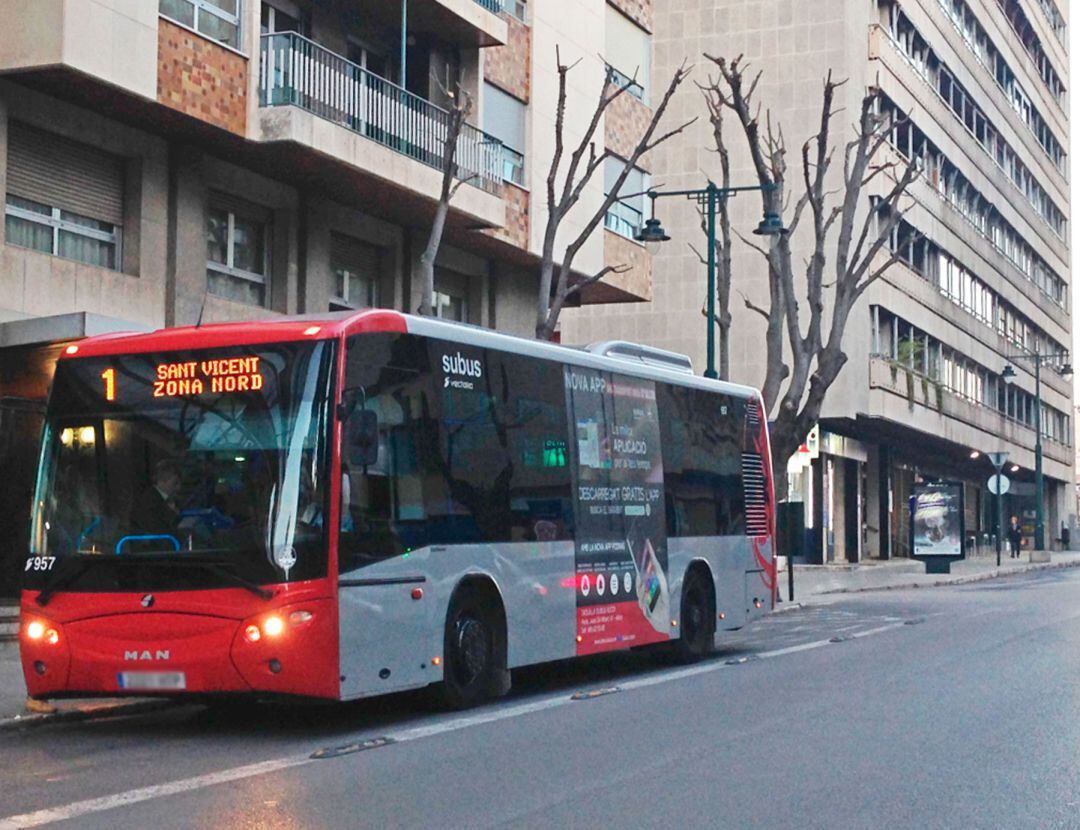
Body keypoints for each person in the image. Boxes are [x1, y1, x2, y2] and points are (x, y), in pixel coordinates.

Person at [134, 459, 182, 536]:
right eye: (175, 483)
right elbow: (158, 529)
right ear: (162, 481)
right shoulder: (149, 502)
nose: (179, 488)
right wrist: (173, 514)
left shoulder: (170, 501)